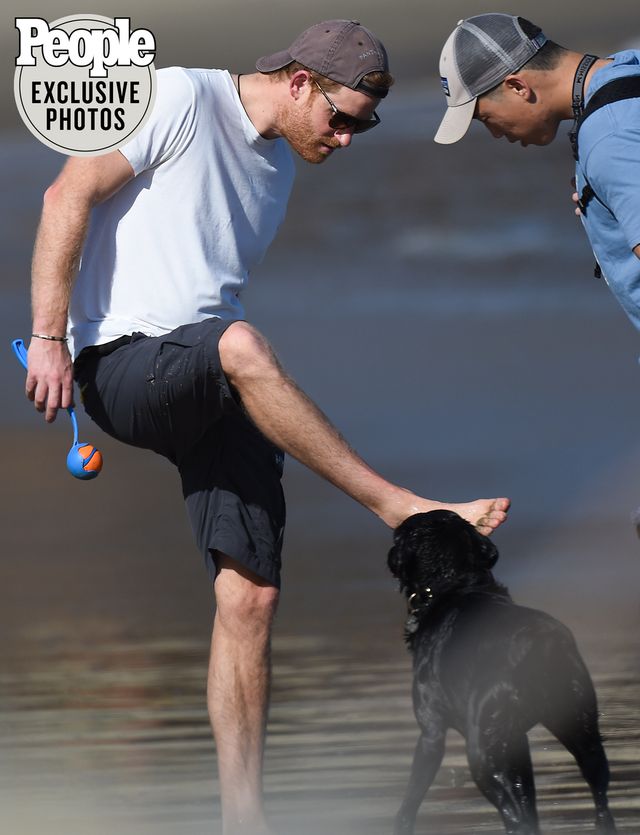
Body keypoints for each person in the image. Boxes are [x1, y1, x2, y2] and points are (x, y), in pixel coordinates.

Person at [26, 19, 510, 834]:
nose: (349, 138)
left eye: (365, 124)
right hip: (119, 365)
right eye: (344, 116)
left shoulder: (279, 167)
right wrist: (47, 337)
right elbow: (65, 192)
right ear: (297, 81)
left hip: (211, 377)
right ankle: (398, 505)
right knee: (242, 342)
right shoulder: (178, 94)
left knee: (251, 595)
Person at [433, 12, 640, 333]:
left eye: (484, 118)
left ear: (517, 86)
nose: (495, 134)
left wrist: (608, 168)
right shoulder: (629, 67)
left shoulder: (608, 137)